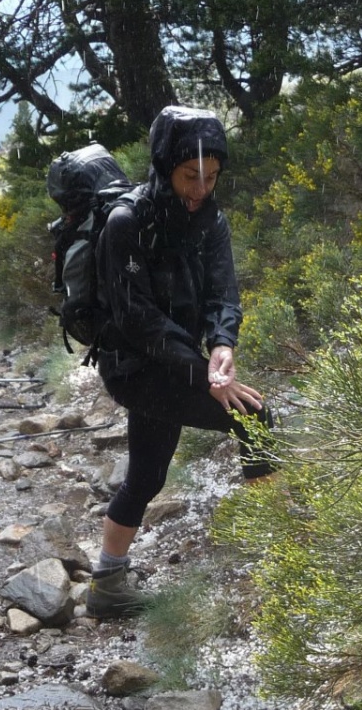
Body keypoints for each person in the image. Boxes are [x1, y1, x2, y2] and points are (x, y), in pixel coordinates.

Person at [88, 105, 277, 617]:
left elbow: (223, 290)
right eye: (191, 176)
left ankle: (106, 585)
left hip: (179, 362)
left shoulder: (208, 218)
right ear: (165, 165)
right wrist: (205, 375)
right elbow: (138, 320)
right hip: (134, 368)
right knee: (254, 416)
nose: (200, 188)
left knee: (147, 475)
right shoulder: (127, 223)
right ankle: (283, 556)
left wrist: (222, 343)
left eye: (211, 178)